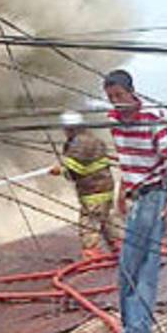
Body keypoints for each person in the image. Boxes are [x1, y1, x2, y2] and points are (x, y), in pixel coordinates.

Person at [102, 69, 167, 333]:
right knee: (129, 269)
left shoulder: (151, 116)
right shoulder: (112, 121)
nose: (116, 103)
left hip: (154, 194)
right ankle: (132, 331)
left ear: (132, 92)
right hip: (137, 196)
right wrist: (122, 190)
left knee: (140, 268)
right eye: (111, 98)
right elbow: (126, 157)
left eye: (120, 96)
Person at [49, 110, 119, 260]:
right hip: (105, 189)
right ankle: (118, 246)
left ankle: (91, 254)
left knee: (89, 222)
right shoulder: (93, 139)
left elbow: (74, 167)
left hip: (93, 191)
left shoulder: (80, 143)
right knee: (106, 219)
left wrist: (59, 170)